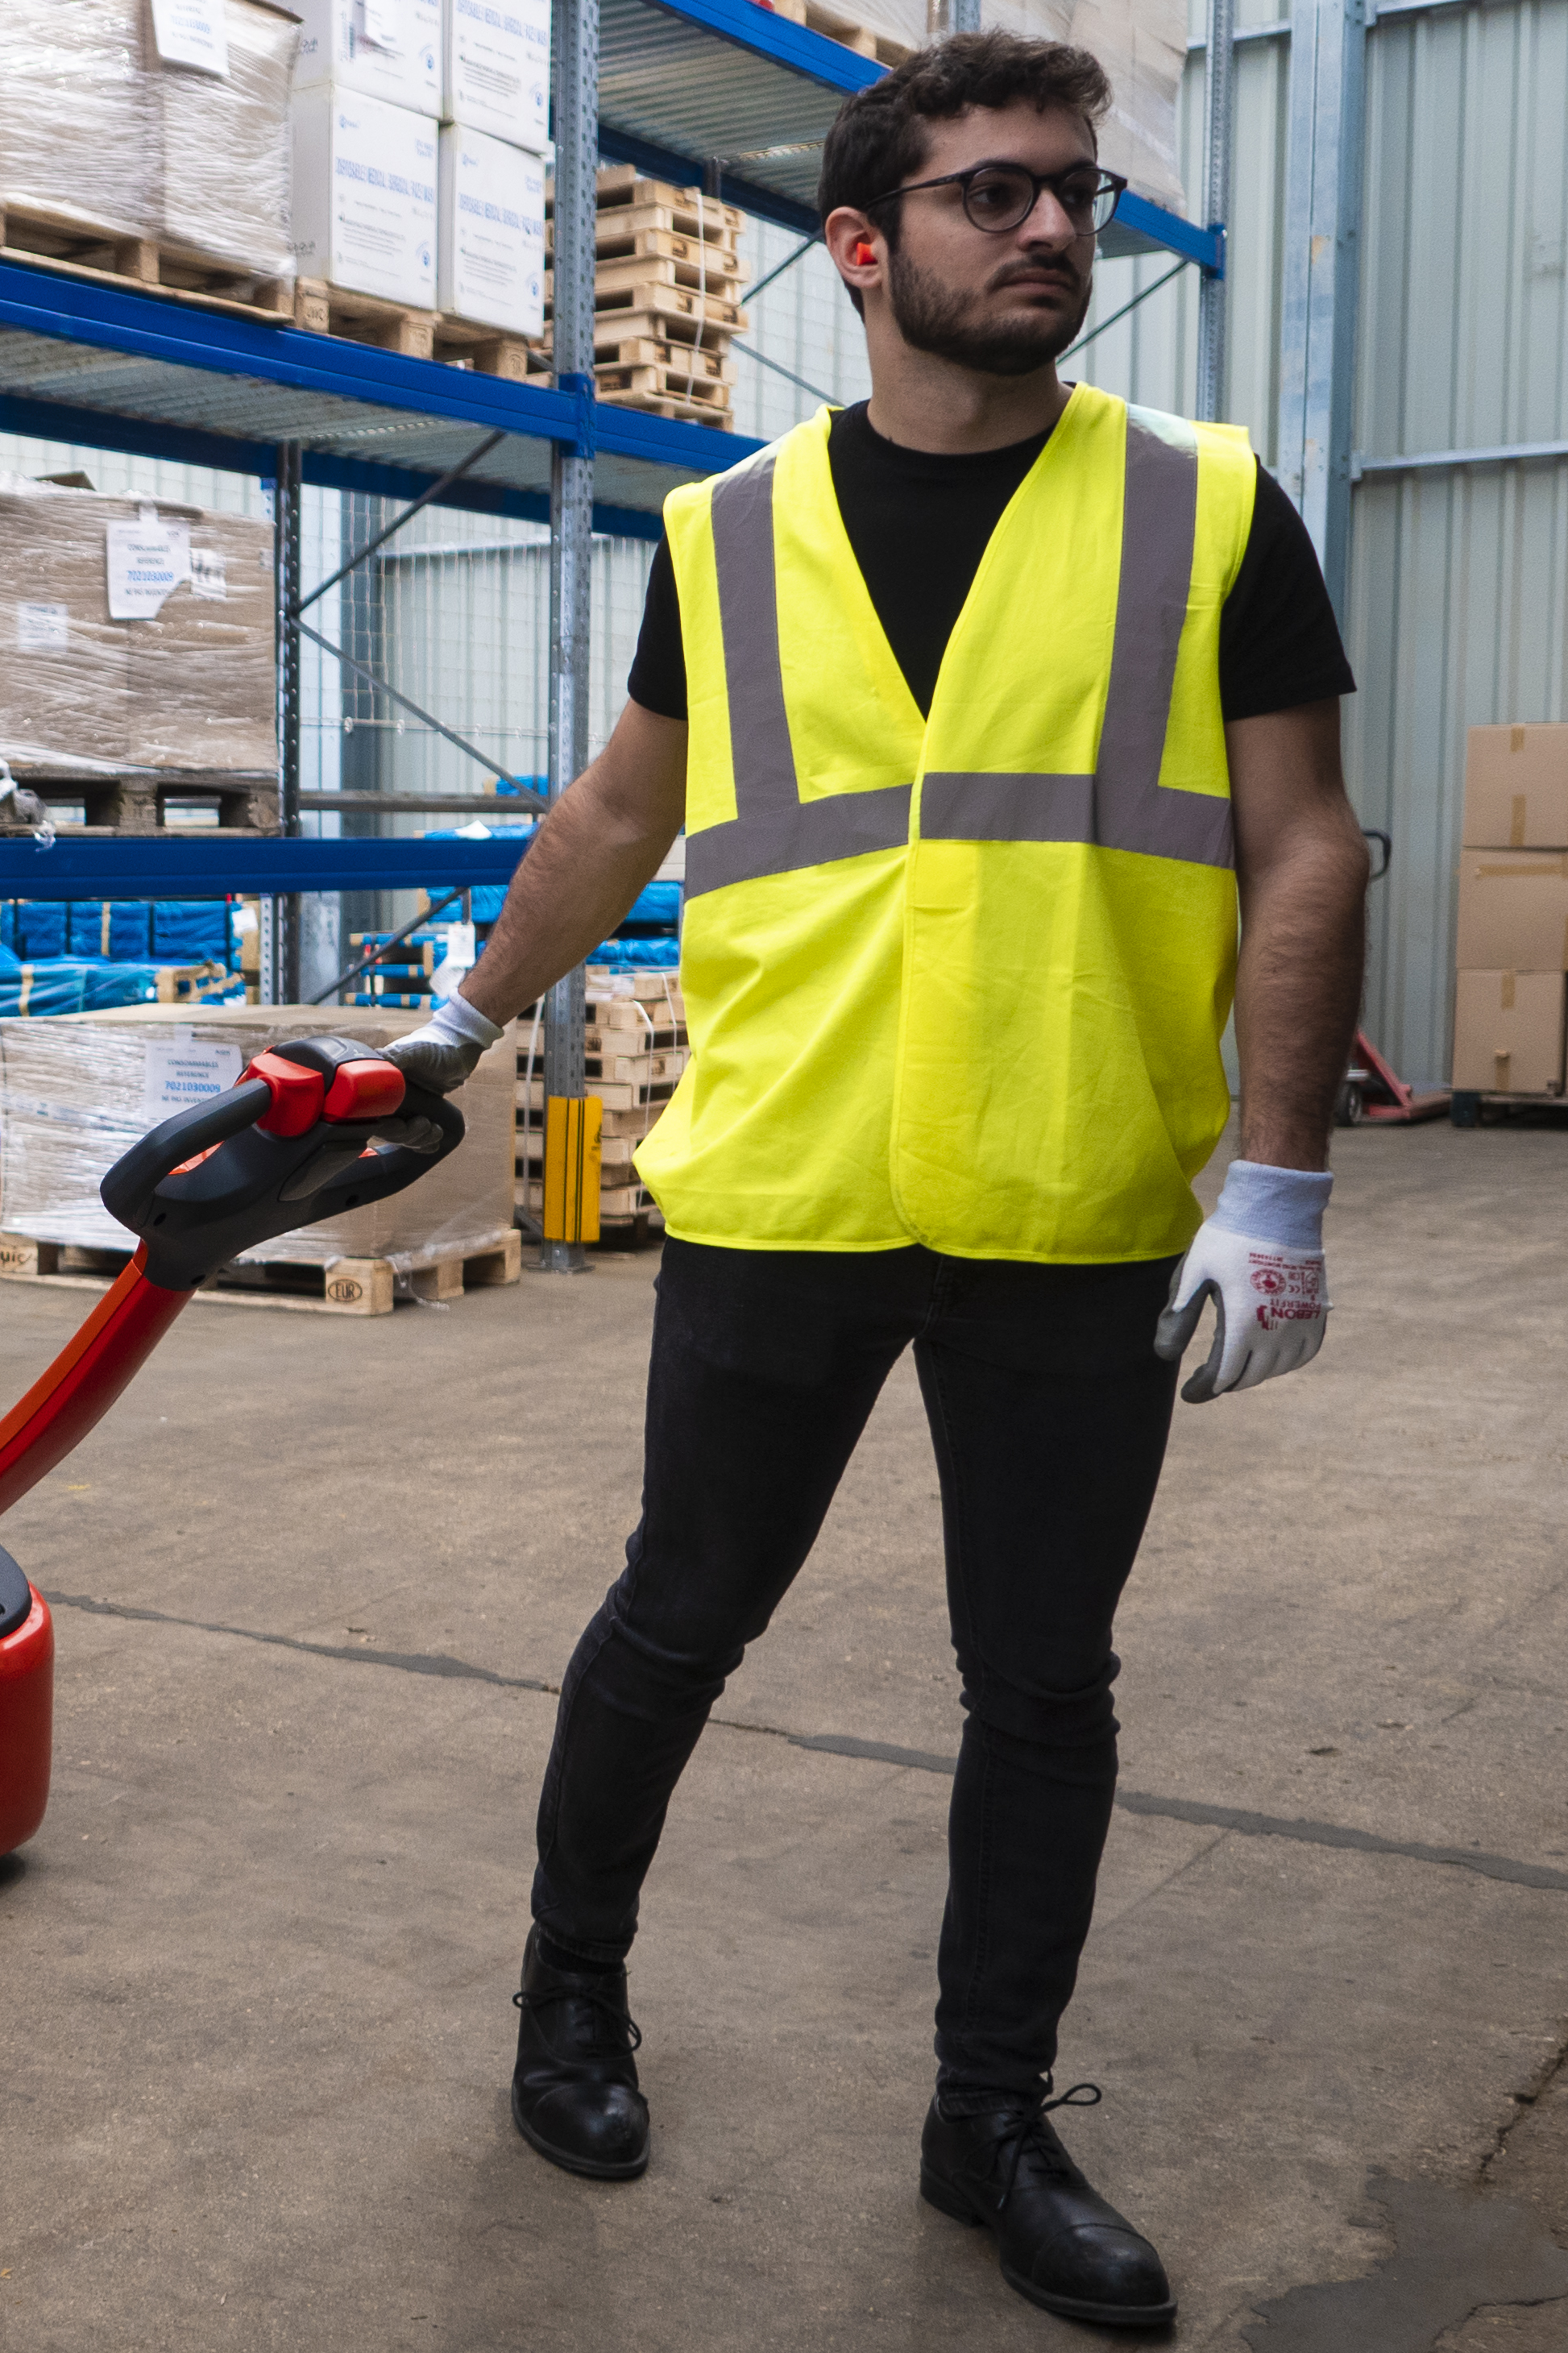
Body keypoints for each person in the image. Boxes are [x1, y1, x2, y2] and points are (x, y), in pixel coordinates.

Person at [382, 30, 1370, 2332]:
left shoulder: (1209, 505)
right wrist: (459, 1015)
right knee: (674, 1621)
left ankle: (989, 2121)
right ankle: (569, 2002)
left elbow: (1305, 842)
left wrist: (1285, 1181)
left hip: (1073, 1186)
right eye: (993, 195)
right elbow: (618, 815)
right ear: (862, 245)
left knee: (1042, 1681)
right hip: (781, 1188)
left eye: (1073, 196)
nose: (1049, 230)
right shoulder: (727, 532)